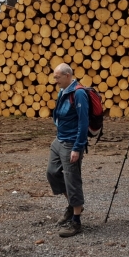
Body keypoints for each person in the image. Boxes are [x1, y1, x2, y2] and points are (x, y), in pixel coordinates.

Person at [46, 63, 89, 238]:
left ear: (68, 75)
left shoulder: (78, 93)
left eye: (57, 77)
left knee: (72, 180)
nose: (55, 80)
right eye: (54, 77)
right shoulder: (63, 91)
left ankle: (76, 221)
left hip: (72, 143)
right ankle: (72, 205)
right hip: (60, 139)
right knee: (52, 173)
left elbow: (83, 122)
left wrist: (77, 148)